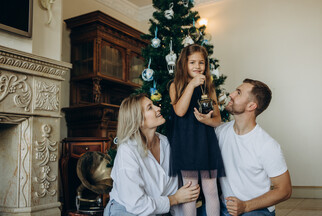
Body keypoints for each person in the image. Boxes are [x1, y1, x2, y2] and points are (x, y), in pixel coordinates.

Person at [104, 94, 200, 216]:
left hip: (155, 210)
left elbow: (173, 190)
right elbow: (136, 204)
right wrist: (174, 199)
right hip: (126, 210)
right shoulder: (127, 151)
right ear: (138, 120)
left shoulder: (167, 144)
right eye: (150, 107)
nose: (158, 108)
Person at [214, 78, 292, 216]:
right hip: (223, 207)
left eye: (238, 93)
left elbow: (284, 190)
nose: (231, 94)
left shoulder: (267, 145)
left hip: (256, 209)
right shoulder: (220, 132)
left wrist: (245, 206)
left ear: (251, 106)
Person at [169, 44, 225, 216]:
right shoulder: (175, 85)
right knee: (190, 193)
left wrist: (208, 121)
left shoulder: (209, 86)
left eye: (201, 63)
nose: (197, 66)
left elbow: (218, 121)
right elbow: (180, 111)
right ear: (183, 64)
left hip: (206, 144)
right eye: (192, 62)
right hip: (186, 145)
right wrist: (192, 85)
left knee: (211, 192)